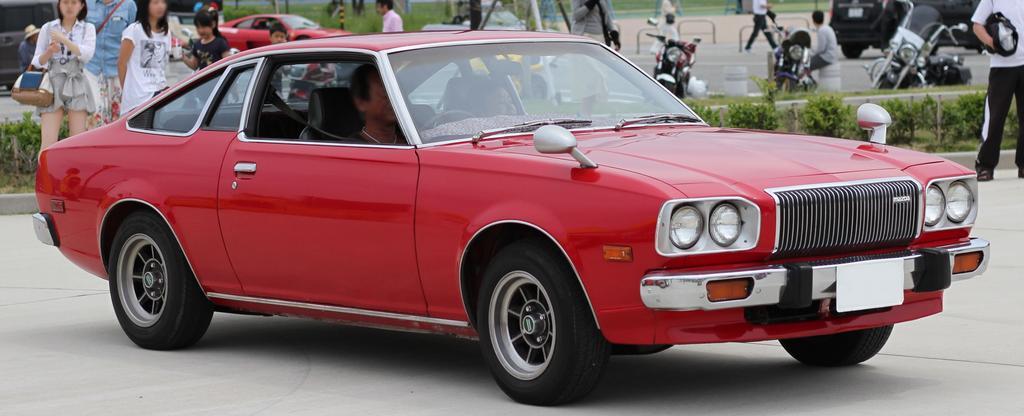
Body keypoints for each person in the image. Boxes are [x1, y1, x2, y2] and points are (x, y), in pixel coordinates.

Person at [31, 0, 97, 150]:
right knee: (48, 143)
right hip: (52, 82)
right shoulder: (48, 27)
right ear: (59, 5)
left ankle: (74, 167)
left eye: (74, 2)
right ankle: (46, 166)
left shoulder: (88, 28)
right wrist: (49, 52)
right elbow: (37, 61)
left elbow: (86, 55)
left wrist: (63, 40)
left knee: (77, 142)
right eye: (65, 2)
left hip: (76, 81)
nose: (69, 6)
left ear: (82, 5)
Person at [972, 0, 1024, 181]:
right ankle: (985, 166)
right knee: (994, 119)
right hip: (1002, 67)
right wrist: (993, 44)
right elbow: (977, 25)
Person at [85, 0, 136, 128]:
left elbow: (133, 37)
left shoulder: (129, 5)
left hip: (117, 69)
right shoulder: (87, 3)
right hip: (91, 68)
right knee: (94, 116)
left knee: (119, 117)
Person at [118, 0, 171, 115]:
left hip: (160, 95)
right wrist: (128, 90)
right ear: (145, 5)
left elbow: (162, 67)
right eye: (155, 2)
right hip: (138, 99)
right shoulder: (134, 30)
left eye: (163, 2)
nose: (160, 6)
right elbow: (121, 64)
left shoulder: (166, 33)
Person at [350, 64, 400, 145]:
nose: (394, 99)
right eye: (385, 92)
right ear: (361, 102)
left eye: (396, 92)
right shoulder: (353, 148)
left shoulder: (414, 139)